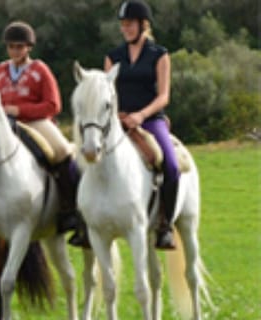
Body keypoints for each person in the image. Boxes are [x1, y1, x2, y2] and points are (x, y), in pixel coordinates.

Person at [0, 21, 84, 245]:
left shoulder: (40, 70)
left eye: (19, 47)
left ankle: (70, 210)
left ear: (28, 47)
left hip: (36, 122)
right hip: (4, 126)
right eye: (11, 47)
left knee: (63, 152)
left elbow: (53, 105)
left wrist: (20, 110)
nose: (15, 51)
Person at [105, 0, 177, 250]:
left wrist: (140, 115)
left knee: (170, 164)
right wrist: (117, 116)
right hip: (117, 119)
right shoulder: (113, 56)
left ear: (142, 25)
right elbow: (107, 92)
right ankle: (83, 222)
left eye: (129, 24)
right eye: (123, 25)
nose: (125, 29)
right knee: (84, 160)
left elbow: (163, 96)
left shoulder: (159, 54)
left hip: (150, 119)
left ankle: (165, 226)